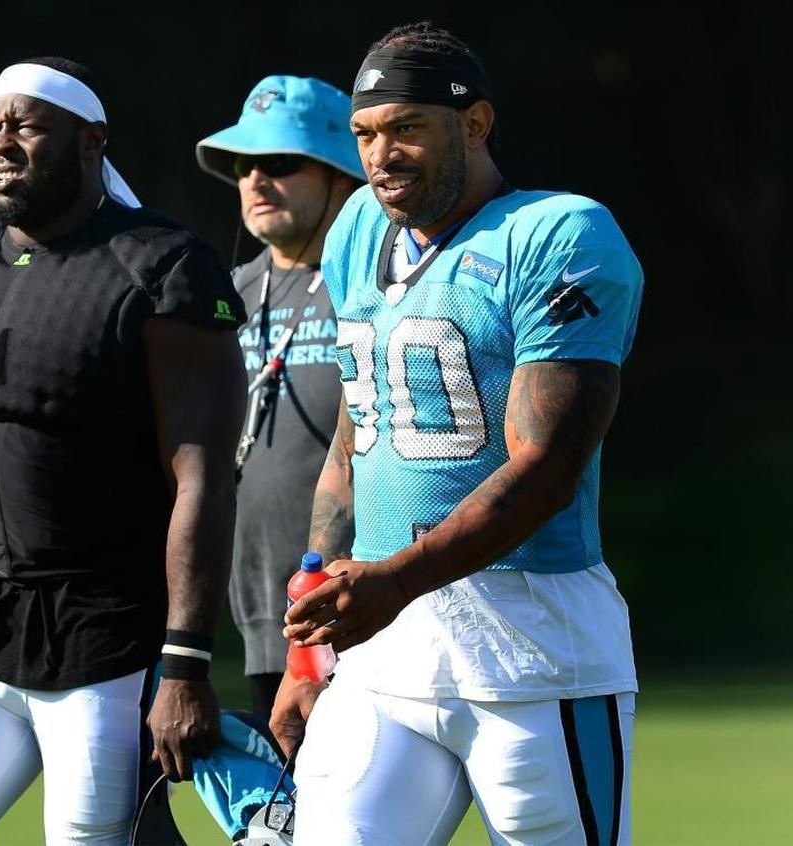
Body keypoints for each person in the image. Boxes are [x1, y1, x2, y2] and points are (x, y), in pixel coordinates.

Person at [0, 56, 248, 845]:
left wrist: (186, 663)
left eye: (26, 125)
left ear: (91, 140)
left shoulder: (164, 268)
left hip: (109, 636)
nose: (3, 143)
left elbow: (201, 478)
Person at [271, 22, 643, 846]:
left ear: (474, 125)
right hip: (383, 647)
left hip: (532, 641)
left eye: (408, 128)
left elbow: (546, 471)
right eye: (366, 135)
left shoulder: (558, 235)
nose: (381, 156)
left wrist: (393, 582)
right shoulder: (357, 231)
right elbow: (357, 432)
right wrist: (309, 648)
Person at [195, 76, 362, 719]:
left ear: (343, 176)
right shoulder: (226, 294)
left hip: (357, 604)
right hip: (263, 614)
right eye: (245, 164)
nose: (257, 180)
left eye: (283, 163)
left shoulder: (376, 283)